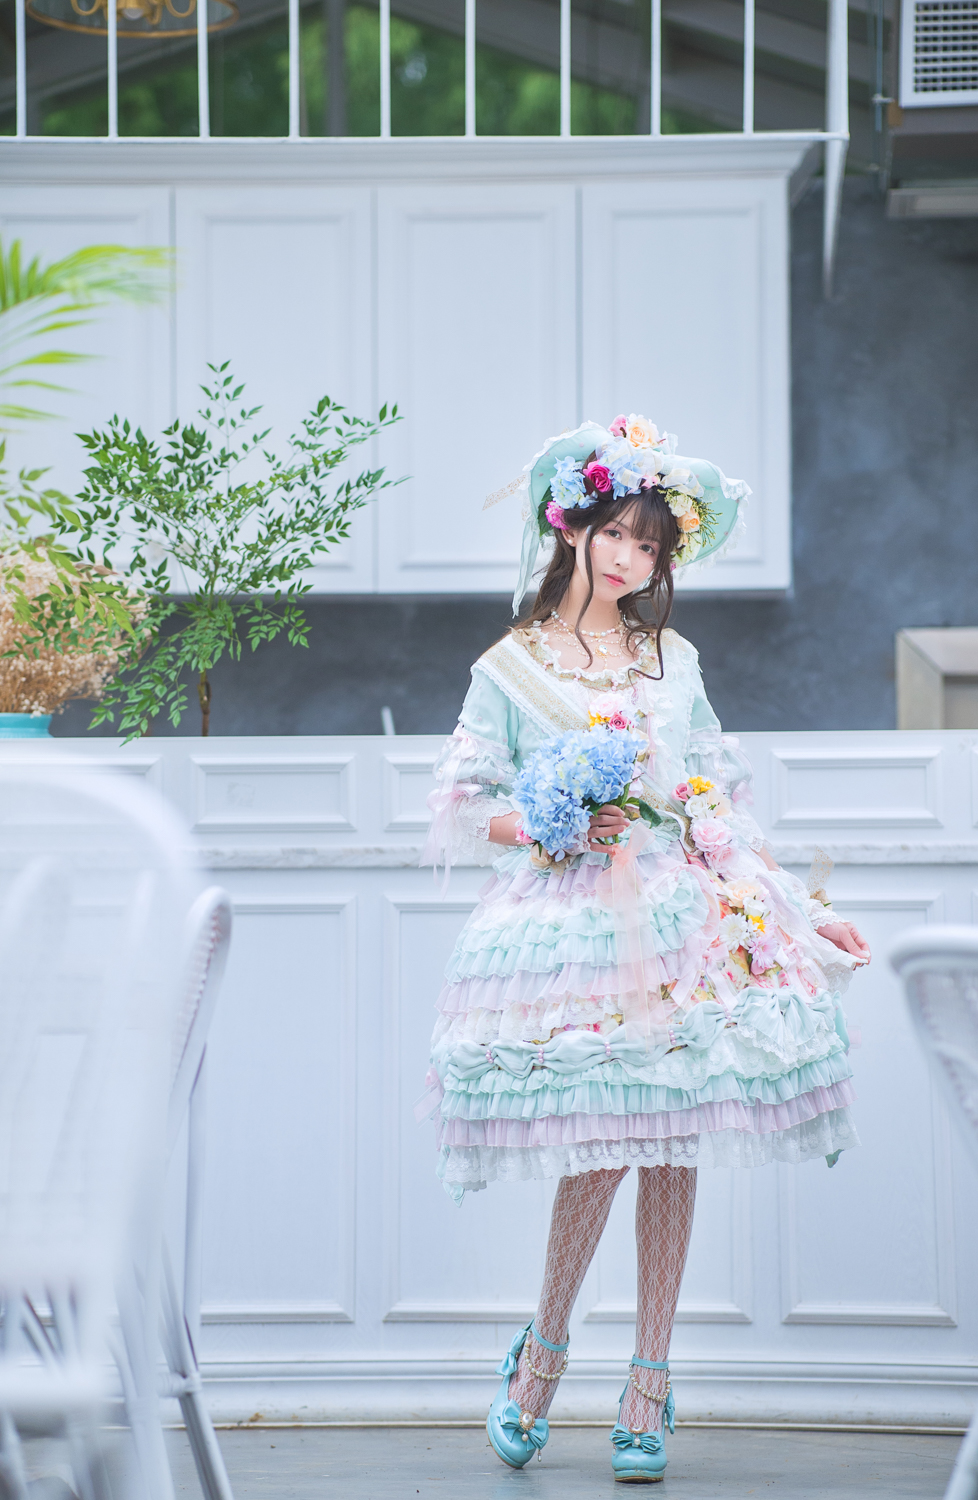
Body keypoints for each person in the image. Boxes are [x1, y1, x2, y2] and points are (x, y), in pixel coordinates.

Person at [420, 415, 871, 1483]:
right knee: (606, 1133)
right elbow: (464, 806)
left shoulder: (674, 662)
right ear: (570, 527)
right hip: (574, 925)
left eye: (650, 544)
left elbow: (719, 800)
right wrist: (557, 822)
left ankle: (649, 1381)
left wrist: (800, 909)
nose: (629, 556)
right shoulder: (510, 667)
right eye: (616, 532)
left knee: (672, 1135)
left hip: (684, 916)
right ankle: (542, 1355)